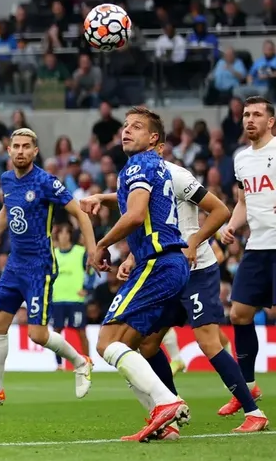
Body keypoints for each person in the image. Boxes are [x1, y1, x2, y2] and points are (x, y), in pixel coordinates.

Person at [107, 149, 267, 436]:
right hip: (167, 271)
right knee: (148, 344)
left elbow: (220, 210)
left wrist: (194, 240)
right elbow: (146, 223)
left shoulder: (176, 174)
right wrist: (131, 258)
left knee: (208, 342)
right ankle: (169, 411)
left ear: (157, 144)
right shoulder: (142, 177)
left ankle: (254, 413)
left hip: (197, 271)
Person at [0, 128, 97, 411]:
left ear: (35, 151)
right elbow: (6, 209)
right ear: (9, 150)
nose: (21, 151)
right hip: (14, 264)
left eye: (26, 146)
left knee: (36, 334)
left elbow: (80, 214)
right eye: (16, 146)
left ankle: (80, 361)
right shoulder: (7, 180)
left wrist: (92, 249)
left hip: (39, 266)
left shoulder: (46, 181)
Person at [84, 107, 189, 442]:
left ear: (153, 138)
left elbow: (136, 213)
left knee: (106, 342)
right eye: (125, 126)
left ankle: (166, 404)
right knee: (131, 345)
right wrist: (105, 196)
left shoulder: (140, 163)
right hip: (169, 264)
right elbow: (137, 201)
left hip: (157, 263)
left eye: (137, 127)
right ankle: (166, 423)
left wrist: (102, 244)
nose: (126, 131)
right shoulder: (153, 166)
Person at [218, 96, 276, 417]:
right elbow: (244, 201)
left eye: (256, 114)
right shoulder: (241, 159)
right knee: (239, 314)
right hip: (257, 247)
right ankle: (248, 387)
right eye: (245, 115)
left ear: (271, 121)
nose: (249, 119)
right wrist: (231, 226)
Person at [49, 224, 90, 368]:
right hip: (57, 298)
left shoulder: (80, 252)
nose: (64, 236)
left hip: (75, 299)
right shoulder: (53, 253)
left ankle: (87, 361)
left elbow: (90, 271)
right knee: (56, 333)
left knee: (81, 332)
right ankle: (59, 365)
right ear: (57, 236)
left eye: (67, 233)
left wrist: (87, 288)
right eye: (61, 233)